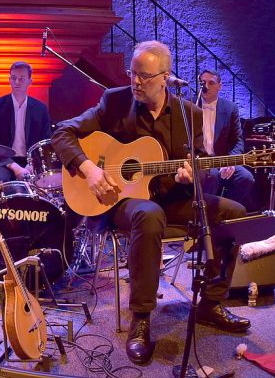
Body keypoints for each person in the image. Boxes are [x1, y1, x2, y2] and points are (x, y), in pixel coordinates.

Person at [51, 41, 249, 366]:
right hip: (123, 202)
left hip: (173, 200)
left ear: (165, 77)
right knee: (148, 213)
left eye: (144, 76)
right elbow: (63, 133)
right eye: (132, 73)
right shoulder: (114, 102)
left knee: (234, 213)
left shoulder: (190, 115)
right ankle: (141, 318)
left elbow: (199, 160)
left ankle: (211, 303)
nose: (136, 82)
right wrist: (89, 169)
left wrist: (192, 174)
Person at [0, 61, 52, 185]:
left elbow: (45, 143)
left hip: (31, 162)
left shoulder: (41, 109)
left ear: (30, 81)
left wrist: (32, 166)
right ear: (9, 79)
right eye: (14, 78)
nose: (17, 82)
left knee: (48, 181)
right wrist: (15, 167)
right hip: (2, 161)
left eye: (22, 79)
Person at [197, 69, 256, 208]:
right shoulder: (190, 106)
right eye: (203, 83)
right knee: (212, 177)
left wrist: (231, 161)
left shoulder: (230, 108)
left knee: (246, 178)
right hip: (200, 160)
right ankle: (206, 217)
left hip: (222, 159)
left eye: (211, 83)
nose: (206, 86)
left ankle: (226, 209)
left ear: (220, 86)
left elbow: (238, 140)